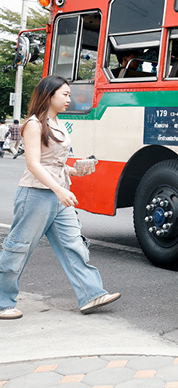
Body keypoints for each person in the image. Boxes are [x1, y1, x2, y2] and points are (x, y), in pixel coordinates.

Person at [0, 76, 120, 320]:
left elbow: (54, 163)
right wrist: (59, 189)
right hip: (36, 194)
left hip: (58, 193)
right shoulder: (34, 124)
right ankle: (3, 302)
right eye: (65, 94)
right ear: (49, 94)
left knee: (73, 244)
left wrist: (75, 170)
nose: (69, 99)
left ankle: (91, 294)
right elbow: (34, 164)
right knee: (19, 248)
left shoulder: (57, 122)